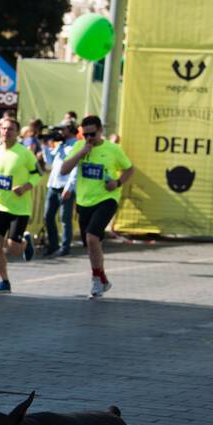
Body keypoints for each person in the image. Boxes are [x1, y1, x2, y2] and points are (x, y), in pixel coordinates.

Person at [58, 115, 134, 298]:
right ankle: (102, 278)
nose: (89, 138)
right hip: (84, 201)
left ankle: (95, 279)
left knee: (92, 238)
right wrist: (81, 153)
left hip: (107, 198)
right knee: (93, 244)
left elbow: (129, 169)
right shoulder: (79, 147)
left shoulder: (113, 149)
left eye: (92, 134)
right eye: (85, 135)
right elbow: (63, 170)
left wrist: (117, 183)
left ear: (100, 131)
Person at [0, 117, 38, 294]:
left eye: (10, 129)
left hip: (19, 207)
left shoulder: (25, 153)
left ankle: (24, 242)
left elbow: (38, 174)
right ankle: (4, 281)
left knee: (13, 249)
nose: (6, 132)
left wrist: (25, 187)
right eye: (4, 129)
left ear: (17, 133)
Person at [43, 122, 78, 257]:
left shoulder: (76, 145)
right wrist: (46, 145)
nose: (60, 133)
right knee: (48, 217)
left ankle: (65, 247)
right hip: (53, 184)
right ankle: (53, 245)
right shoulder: (61, 145)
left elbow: (75, 168)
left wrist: (69, 187)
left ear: (70, 130)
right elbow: (49, 161)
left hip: (65, 186)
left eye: (63, 130)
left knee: (65, 218)